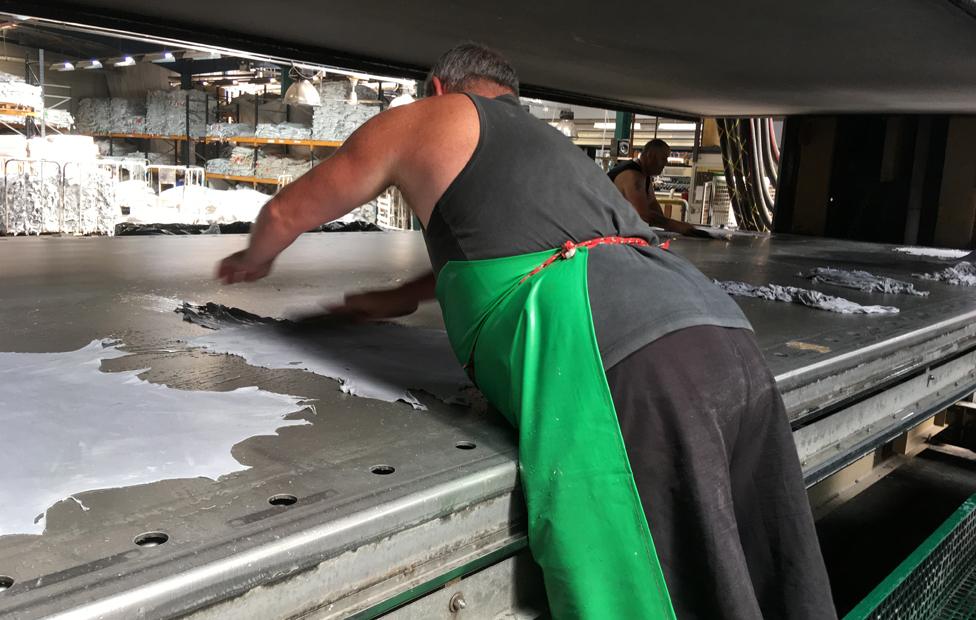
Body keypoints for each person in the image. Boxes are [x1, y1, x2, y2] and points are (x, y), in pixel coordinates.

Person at [217, 42, 836, 619]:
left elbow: (288, 209)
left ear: (438, 87)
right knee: (761, 561)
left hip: (618, 354)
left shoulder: (429, 117)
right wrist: (400, 297)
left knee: (640, 580)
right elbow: (538, 245)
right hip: (718, 327)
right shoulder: (552, 145)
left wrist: (252, 260)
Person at [609, 139, 710, 237]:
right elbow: (643, 214)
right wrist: (677, 226)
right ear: (650, 156)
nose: (666, 163)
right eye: (663, 158)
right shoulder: (633, 175)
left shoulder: (644, 175)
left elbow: (652, 203)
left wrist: (668, 226)